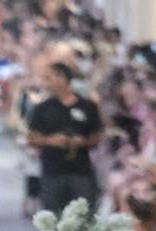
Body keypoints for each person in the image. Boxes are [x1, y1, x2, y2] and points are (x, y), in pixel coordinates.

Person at [26, 62, 102, 213]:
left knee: (83, 215)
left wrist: (82, 142)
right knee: (53, 215)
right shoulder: (42, 108)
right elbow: (31, 138)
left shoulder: (87, 106)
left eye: (50, 78)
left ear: (62, 79)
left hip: (81, 171)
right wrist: (50, 141)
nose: (46, 83)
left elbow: (96, 137)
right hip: (52, 171)